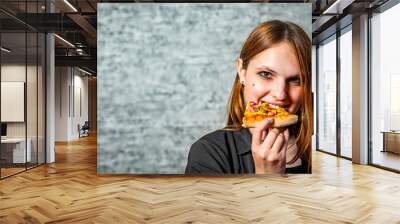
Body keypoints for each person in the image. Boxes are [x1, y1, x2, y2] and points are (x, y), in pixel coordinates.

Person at [185, 20, 312, 174]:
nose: (280, 94)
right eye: (266, 74)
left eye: (295, 80)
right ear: (242, 71)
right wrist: (267, 177)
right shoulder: (209, 152)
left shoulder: (320, 152)